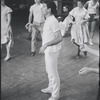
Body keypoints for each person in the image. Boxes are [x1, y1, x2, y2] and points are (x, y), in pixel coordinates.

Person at [39, 1, 63, 100]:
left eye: (44, 6)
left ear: (49, 9)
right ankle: (51, 88)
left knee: (53, 72)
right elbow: (46, 32)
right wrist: (34, 26)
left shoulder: (53, 20)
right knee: (49, 71)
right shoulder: (48, 19)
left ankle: (55, 95)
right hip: (48, 51)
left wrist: (45, 45)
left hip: (52, 51)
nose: (41, 8)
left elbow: (59, 38)